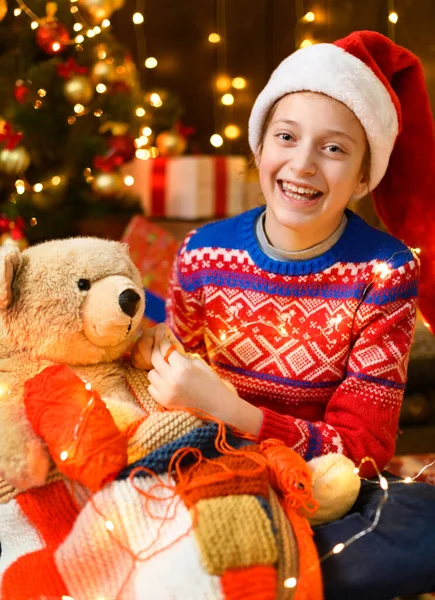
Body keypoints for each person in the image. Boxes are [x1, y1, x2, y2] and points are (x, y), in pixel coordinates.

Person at [131, 31, 435, 600]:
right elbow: (169, 395)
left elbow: (364, 450)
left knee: (424, 524)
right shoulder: (204, 252)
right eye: (287, 137)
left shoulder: (385, 272)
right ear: (259, 147)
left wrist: (236, 410)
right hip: (209, 471)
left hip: (322, 491)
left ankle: (257, 568)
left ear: (366, 176)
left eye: (335, 148)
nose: (303, 164)